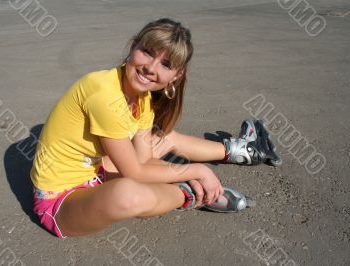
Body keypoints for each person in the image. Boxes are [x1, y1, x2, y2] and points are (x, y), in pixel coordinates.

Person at [30, 18, 280, 238]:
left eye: (166, 65)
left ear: (176, 76)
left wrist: (191, 172)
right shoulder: (105, 93)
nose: (151, 68)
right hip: (59, 202)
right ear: (133, 46)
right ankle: (188, 195)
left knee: (160, 142)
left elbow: (144, 160)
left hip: (96, 172)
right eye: (147, 52)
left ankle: (233, 159)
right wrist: (197, 171)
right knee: (128, 194)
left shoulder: (143, 100)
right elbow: (135, 173)